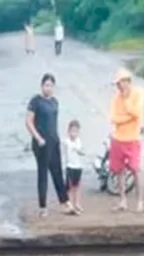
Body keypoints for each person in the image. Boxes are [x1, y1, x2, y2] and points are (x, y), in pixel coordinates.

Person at [25, 73, 71, 216]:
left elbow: (53, 123)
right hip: (41, 143)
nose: (48, 88)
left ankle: (64, 201)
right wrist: (38, 138)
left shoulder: (54, 102)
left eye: (51, 85)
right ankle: (43, 206)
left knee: (57, 171)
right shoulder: (35, 101)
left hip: (53, 141)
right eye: (46, 85)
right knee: (43, 173)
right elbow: (28, 122)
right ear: (42, 86)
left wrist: (58, 139)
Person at [109, 67, 144, 212]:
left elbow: (137, 112)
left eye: (120, 83)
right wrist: (128, 118)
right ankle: (122, 200)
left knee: (135, 170)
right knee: (119, 171)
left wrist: (127, 104)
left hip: (133, 139)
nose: (118, 86)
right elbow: (114, 119)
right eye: (117, 84)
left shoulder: (139, 93)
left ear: (127, 82)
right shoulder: (115, 98)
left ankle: (139, 201)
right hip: (118, 138)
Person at [63, 120, 85, 213]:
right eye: (72, 131)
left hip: (78, 166)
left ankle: (77, 203)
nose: (74, 133)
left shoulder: (79, 141)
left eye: (76, 131)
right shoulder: (66, 141)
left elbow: (82, 152)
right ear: (68, 131)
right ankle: (69, 204)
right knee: (69, 187)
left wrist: (79, 150)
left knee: (77, 186)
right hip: (70, 166)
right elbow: (65, 152)